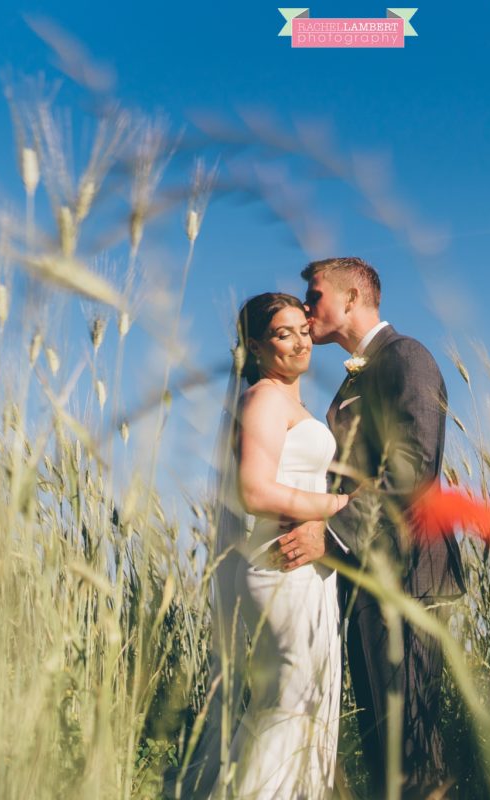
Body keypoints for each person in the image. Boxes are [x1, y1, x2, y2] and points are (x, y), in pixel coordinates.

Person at [279, 256, 466, 798]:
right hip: (366, 578)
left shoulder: (406, 357)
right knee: (384, 746)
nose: (307, 308)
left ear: (352, 298)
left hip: (403, 575)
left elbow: (413, 468)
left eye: (315, 295)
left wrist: (328, 534)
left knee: (409, 749)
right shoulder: (355, 379)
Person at [184, 292, 347, 799]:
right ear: (255, 346)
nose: (300, 342)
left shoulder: (290, 401)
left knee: (300, 703)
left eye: (303, 329)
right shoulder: (264, 398)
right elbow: (253, 491)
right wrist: (337, 506)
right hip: (282, 571)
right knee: (290, 704)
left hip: (304, 568)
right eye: (283, 333)